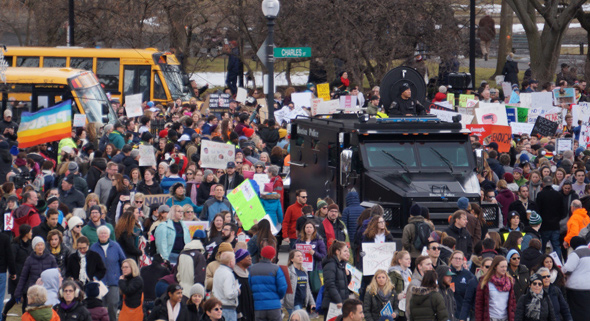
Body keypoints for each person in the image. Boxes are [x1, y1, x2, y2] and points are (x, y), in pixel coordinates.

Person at [89, 226, 126, 321]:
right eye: (101, 233)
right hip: (99, 282)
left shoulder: (116, 246)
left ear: (109, 235)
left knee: (113, 305)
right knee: (101, 306)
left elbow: (123, 261)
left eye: (105, 233)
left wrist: (122, 275)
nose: (103, 235)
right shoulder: (93, 247)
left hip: (114, 281)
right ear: (98, 235)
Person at [15, 236, 58, 310]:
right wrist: (18, 292)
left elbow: (56, 275)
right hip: (33, 290)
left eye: (41, 245)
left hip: (47, 290)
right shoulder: (29, 259)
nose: (40, 247)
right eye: (38, 245)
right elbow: (23, 277)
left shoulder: (51, 258)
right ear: (34, 247)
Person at [249, 245, 288, 320]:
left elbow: (250, 286)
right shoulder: (276, 269)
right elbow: (283, 287)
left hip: (259, 306)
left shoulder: (252, 268)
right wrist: (277, 297)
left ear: (261, 254)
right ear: (273, 256)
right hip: (274, 306)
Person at [475, 255, 517, 321]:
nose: (504, 269)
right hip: (491, 317)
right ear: (495, 267)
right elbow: (479, 304)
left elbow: (513, 303)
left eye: (506, 266)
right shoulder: (485, 282)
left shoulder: (509, 281)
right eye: (502, 267)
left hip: (505, 318)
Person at [562, 236, 590, 321]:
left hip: (576, 287)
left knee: (577, 312)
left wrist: (561, 269)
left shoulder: (576, 253)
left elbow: (568, 268)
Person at [537, 176, 565, 259]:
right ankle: (559, 263)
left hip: (544, 226)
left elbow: (538, 210)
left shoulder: (540, 195)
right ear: (552, 183)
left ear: (543, 183)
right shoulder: (558, 195)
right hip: (555, 225)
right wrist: (557, 219)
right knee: (556, 246)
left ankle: (541, 262)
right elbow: (562, 211)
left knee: (542, 247)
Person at [321, 241, 351, 314]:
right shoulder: (330, 265)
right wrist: (338, 300)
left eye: (348, 251)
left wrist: (348, 275)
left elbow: (344, 285)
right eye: (345, 251)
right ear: (337, 252)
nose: (348, 253)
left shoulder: (341, 265)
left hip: (342, 303)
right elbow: (330, 284)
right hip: (333, 304)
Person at [285, 250, 315, 316]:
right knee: (299, 318)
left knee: (294, 318)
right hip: (293, 302)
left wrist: (312, 302)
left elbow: (308, 288)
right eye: (298, 256)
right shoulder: (289, 271)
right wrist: (280, 304)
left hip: (301, 301)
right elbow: (283, 287)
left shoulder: (304, 271)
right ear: (292, 259)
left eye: (301, 256)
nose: (301, 257)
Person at [212, 251, 240, 321]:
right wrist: (237, 291)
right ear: (231, 262)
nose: (235, 262)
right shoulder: (228, 274)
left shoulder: (217, 271)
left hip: (219, 307)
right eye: (234, 260)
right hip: (228, 309)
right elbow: (229, 294)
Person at [449, 250, 475, 317]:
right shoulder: (446, 273)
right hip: (449, 310)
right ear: (451, 260)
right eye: (455, 258)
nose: (458, 260)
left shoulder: (468, 275)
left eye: (460, 259)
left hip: (463, 311)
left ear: (463, 261)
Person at [233, 249, 254, 321]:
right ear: (240, 260)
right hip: (241, 311)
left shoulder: (248, 273)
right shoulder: (234, 275)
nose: (250, 258)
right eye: (247, 256)